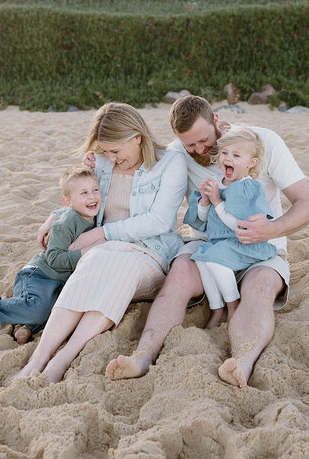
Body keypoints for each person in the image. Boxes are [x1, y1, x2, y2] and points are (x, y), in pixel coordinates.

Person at [105, 95, 309, 388]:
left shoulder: (263, 142)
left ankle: (241, 362)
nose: (201, 150)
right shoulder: (178, 155)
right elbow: (128, 167)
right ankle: (142, 357)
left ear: (217, 121)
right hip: (208, 243)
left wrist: (269, 230)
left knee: (261, 288)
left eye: (205, 140)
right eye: (190, 145)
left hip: (260, 245)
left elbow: (307, 205)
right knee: (177, 276)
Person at [15, 102, 187, 383]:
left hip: (148, 251)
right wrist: (55, 216)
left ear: (137, 138)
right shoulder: (103, 162)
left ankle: (63, 358)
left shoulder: (170, 163)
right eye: (105, 151)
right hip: (103, 251)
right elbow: (86, 200)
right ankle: (38, 359)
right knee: (93, 260)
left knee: (110, 261)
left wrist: (102, 234)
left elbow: (158, 220)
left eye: (116, 151)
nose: (110, 157)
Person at [0, 165, 101, 344]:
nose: (92, 196)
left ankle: (29, 327)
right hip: (39, 276)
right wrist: (84, 252)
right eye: (83, 193)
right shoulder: (65, 224)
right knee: (38, 307)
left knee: (65, 310)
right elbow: (54, 259)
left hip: (59, 283)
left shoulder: (95, 216)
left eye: (95, 190)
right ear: (68, 202)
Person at [183, 126, 277, 329]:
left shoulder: (248, 187)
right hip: (219, 243)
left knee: (215, 261)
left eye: (236, 155)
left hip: (241, 242)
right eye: (225, 153)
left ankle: (232, 305)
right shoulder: (217, 182)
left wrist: (217, 201)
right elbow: (203, 219)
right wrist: (205, 202)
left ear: (251, 163)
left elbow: (240, 226)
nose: (228, 158)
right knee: (201, 260)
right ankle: (217, 308)